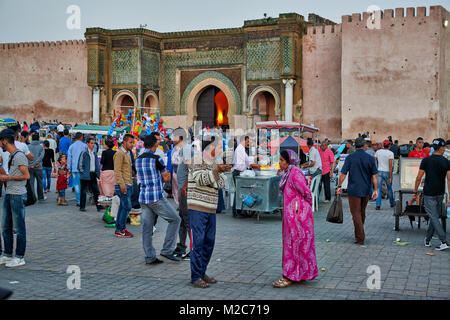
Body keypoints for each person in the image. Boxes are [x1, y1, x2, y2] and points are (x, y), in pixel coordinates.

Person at [187, 134, 230, 288]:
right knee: (197, 242)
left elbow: (223, 183)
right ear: (211, 147)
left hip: (211, 208)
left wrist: (216, 172)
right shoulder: (196, 160)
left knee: (209, 242)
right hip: (197, 207)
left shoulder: (216, 162)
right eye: (219, 147)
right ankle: (195, 276)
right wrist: (216, 173)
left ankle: (201, 271)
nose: (221, 150)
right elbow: (201, 179)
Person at [273, 149, 318, 288]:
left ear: (289, 161)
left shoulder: (294, 173)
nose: (279, 163)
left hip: (298, 216)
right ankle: (300, 275)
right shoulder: (288, 173)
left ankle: (289, 276)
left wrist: (304, 209)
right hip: (292, 215)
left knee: (293, 244)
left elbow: (306, 192)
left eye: (281, 160)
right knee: (295, 244)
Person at [136, 134, 181, 264]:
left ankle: (150, 256)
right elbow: (166, 178)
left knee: (147, 228)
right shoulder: (157, 159)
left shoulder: (138, 159)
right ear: (154, 145)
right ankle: (167, 250)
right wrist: (165, 174)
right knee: (175, 220)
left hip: (143, 197)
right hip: (156, 197)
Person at [337, 138, 378, 245]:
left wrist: (339, 186)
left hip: (353, 189)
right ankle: (359, 233)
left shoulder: (350, 158)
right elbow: (375, 176)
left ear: (355, 146)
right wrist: (376, 190)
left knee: (355, 213)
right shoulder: (370, 158)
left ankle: (360, 237)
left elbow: (343, 174)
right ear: (364, 146)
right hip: (366, 189)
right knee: (361, 212)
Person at [0, 129, 30, 267]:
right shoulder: (11, 155)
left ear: (5, 141)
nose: (0, 146)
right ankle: (6, 254)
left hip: (17, 195)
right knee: (6, 226)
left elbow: (26, 176)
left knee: (19, 227)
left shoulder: (19, 156)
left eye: (1, 143)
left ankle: (19, 256)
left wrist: (8, 177)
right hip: (9, 193)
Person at [413, 138, 450, 251]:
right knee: (434, 216)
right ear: (442, 148)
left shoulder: (426, 160)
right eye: (444, 148)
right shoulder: (446, 162)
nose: (444, 150)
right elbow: (449, 180)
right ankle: (428, 239)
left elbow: (419, 177)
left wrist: (415, 191)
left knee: (433, 216)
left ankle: (444, 241)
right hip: (440, 192)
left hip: (429, 192)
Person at [174, 130, 193, 260]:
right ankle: (181, 246)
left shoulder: (186, 149)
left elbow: (191, 168)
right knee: (182, 219)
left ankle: (193, 249)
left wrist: (185, 185)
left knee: (187, 221)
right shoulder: (184, 149)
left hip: (185, 190)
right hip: (182, 189)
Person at [114, 134, 135, 238]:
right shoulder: (120, 154)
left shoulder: (127, 153)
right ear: (125, 142)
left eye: (133, 142)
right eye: (130, 142)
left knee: (123, 207)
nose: (132, 145)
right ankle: (121, 229)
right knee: (126, 207)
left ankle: (119, 228)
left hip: (128, 183)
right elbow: (117, 171)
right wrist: (122, 185)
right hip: (123, 184)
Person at [232, 135, 257, 216]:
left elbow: (247, 161)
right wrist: (253, 162)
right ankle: (236, 210)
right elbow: (245, 162)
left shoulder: (242, 149)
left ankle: (239, 210)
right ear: (244, 140)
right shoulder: (240, 149)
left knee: (241, 191)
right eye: (247, 141)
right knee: (238, 191)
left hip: (241, 171)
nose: (248, 143)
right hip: (238, 172)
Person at [78, 137, 102, 212]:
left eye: (93, 143)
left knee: (96, 191)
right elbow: (80, 164)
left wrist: (98, 173)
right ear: (87, 143)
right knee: (83, 191)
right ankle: (82, 206)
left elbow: (97, 164)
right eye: (91, 143)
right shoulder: (84, 153)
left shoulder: (94, 153)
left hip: (93, 174)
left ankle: (98, 206)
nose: (93, 145)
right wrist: (82, 171)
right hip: (85, 175)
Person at [374, 140, 395, 210]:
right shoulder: (390, 153)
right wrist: (391, 177)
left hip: (379, 171)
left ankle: (378, 204)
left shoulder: (378, 152)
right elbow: (390, 166)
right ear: (389, 146)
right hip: (387, 172)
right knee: (389, 188)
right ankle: (392, 203)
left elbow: (374, 161)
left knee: (378, 188)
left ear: (383, 145)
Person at [67, 132, 86, 207]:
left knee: (77, 185)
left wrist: (69, 168)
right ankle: (83, 200)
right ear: (81, 137)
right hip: (83, 169)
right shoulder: (84, 146)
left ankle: (79, 201)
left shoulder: (72, 146)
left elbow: (69, 158)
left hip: (75, 168)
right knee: (83, 185)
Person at [28, 133, 46, 202]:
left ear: (32, 139)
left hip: (30, 166)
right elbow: (41, 157)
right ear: (38, 139)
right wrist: (35, 164)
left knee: (31, 183)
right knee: (40, 182)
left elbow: (26, 156)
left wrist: (31, 164)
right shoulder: (41, 147)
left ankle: (32, 197)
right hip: (38, 167)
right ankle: (40, 197)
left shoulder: (28, 146)